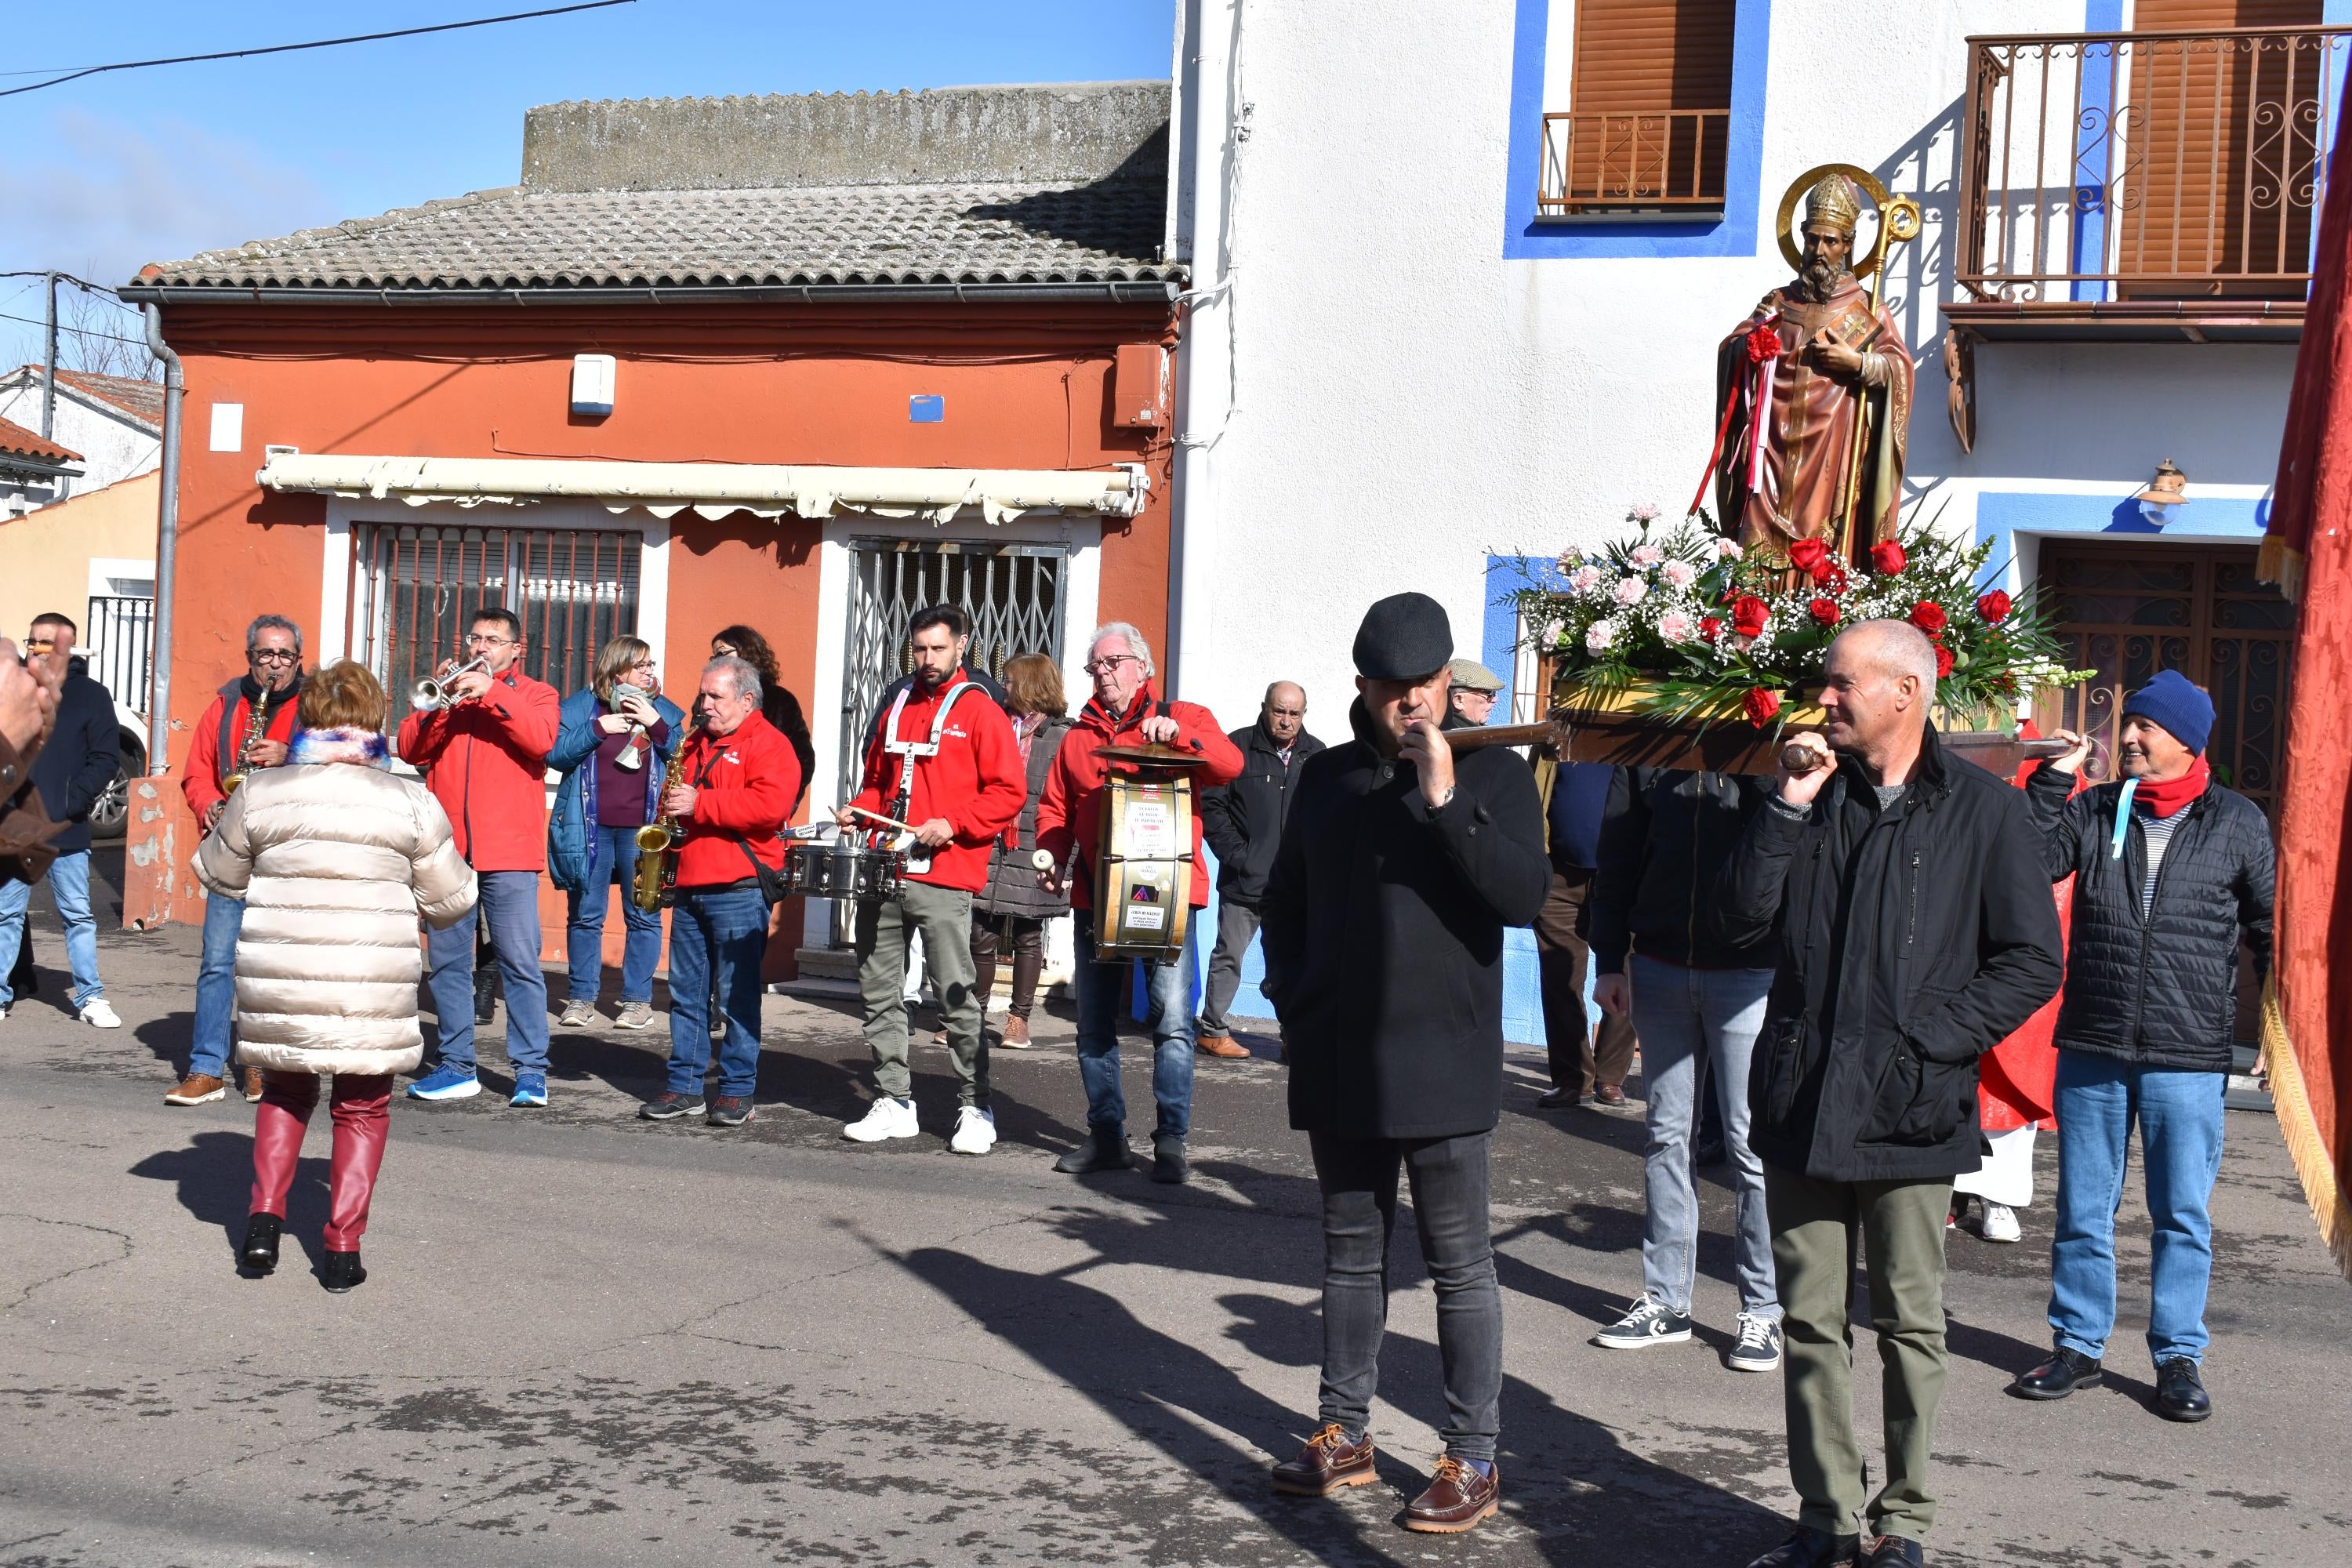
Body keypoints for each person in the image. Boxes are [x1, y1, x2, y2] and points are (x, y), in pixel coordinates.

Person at [1716, 620, 2061, 1568]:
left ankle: (1903, 1519)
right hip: (1802, 1097)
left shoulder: (1986, 810)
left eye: (1841, 683)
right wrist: (1786, 804)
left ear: (1905, 691)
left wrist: (1930, 1044)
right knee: (1809, 1321)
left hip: (1912, 1108)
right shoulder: (1808, 794)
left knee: (1912, 1323)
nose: (1823, 698)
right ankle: (1826, 1515)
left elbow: (2034, 957)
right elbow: (1740, 919)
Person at [1260, 593, 1547, 1534]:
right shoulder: (1330, 777)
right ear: (1365, 688)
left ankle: (1473, 1453)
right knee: (1349, 1257)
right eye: (1395, 690)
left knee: (1459, 1263)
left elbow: (1519, 895)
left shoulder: (1494, 775)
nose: (1413, 705)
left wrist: (1444, 798)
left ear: (1445, 680)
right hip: (1340, 1051)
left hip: (1445, 1056)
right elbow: (1285, 896)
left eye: (1427, 687)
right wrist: (1293, 996)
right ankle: (1343, 1430)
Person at [2010, 672, 2274, 1425]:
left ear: (2187, 741)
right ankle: (2078, 1347)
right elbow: (2031, 868)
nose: (2129, 738)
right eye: (2129, 726)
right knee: (2083, 1208)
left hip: (2187, 1051)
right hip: (2095, 1036)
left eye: (2145, 729)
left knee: (2181, 1212)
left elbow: (2269, 925)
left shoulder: (2236, 821)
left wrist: (2281, 1030)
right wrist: (2047, 787)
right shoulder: (2096, 808)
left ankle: (2178, 1357)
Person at [194, 660, 476, 1293]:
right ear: (375, 718)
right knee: (362, 1107)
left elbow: (218, 874)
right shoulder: (409, 798)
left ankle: (263, 1224)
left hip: (284, 971)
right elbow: (450, 900)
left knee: (286, 1093)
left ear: (311, 716)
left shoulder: (263, 789)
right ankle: (343, 1248)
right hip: (369, 978)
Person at [1587, 767, 1785, 1370]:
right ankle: (1666, 1300)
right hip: (1661, 961)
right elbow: (1617, 851)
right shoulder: (1650, 750)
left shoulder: (1768, 735)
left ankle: (1763, 1311)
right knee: (1666, 1135)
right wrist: (1609, 959)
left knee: (1751, 1147)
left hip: (1751, 970)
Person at [1034, 622, 1242, 1182]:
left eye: (1113, 663)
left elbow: (1229, 765)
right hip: (1097, 897)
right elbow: (1054, 809)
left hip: (1168, 897)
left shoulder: (1186, 716)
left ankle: (1171, 1141)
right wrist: (1052, 856)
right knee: (1094, 1024)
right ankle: (1108, 1139)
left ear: (1143, 667)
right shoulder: (1077, 736)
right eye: (1094, 666)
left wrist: (1177, 736)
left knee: (1173, 1024)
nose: (1102, 674)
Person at [837, 606, 1025, 1154]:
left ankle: (975, 1106)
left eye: (937, 649)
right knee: (878, 989)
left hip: (945, 875)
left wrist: (955, 823)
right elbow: (877, 784)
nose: (927, 660)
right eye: (919, 649)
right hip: (885, 868)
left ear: (961, 646)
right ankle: (894, 1100)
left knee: (955, 995)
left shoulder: (982, 711)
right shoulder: (896, 704)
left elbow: (1007, 791)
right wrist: (860, 810)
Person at [397, 607, 561, 1108]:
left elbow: (542, 740)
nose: (480, 647)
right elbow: (409, 749)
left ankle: (531, 1071)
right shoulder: (452, 695)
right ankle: (457, 1066)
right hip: (449, 849)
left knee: (519, 962)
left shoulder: (536, 694)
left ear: (517, 649)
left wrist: (491, 693)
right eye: (475, 638)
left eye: (493, 639)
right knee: (447, 963)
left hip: (509, 850)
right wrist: (442, 704)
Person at [637, 655, 800, 1128]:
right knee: (687, 995)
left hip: (739, 885)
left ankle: (735, 1090)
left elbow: (771, 807)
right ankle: (684, 1086)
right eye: (703, 695)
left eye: (715, 697)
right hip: (691, 880)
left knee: (736, 996)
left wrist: (700, 802)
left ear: (747, 700)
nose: (703, 705)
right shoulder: (694, 744)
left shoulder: (771, 744)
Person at [1716, 174, 1913, 564]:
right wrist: (1749, 345)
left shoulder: (1867, 309)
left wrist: (1858, 364)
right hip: (1770, 443)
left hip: (1830, 448)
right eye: (1813, 239)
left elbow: (1899, 368)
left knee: (1820, 544)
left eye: (1831, 241)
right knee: (1757, 548)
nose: (1820, 250)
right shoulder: (1778, 302)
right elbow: (1732, 350)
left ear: (1848, 245)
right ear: (1802, 238)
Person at [169, 614, 306, 1106]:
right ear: (249, 657)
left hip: (289, 853)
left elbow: (346, 762)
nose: (274, 664)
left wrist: (290, 755)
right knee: (217, 961)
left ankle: (260, 1065)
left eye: (284, 655)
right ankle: (206, 1068)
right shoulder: (226, 705)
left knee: (272, 966)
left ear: (298, 660)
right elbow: (196, 772)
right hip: (231, 846)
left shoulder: (315, 705)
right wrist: (206, 801)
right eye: (265, 654)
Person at [548, 636, 685, 1031]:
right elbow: (555, 755)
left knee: (642, 914)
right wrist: (597, 728)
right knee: (586, 916)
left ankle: (638, 1002)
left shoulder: (663, 710)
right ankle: (581, 998)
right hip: (589, 827)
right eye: (641, 665)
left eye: (650, 665)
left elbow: (683, 756)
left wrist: (655, 723)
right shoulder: (580, 708)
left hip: (642, 833)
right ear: (617, 668)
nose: (649, 672)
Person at [0, 615, 122, 1029]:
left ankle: (91, 998)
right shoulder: (16, 695)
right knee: (6, 915)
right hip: (16, 828)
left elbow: (105, 758)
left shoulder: (91, 696)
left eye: (46, 642)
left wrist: (69, 803)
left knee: (78, 916)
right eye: (32, 641)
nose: (36, 649)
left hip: (65, 829)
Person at [1196, 680, 1323, 1056]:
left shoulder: (1316, 756)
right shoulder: (1236, 748)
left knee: (1291, 963)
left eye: (1294, 714)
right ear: (1265, 707)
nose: (1286, 720)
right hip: (1244, 882)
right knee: (1229, 956)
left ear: (1303, 715)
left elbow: (1324, 815)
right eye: (1279, 711)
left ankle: (1292, 1036)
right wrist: (1240, 857)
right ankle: (1213, 1030)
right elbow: (1213, 807)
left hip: (1294, 885)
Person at [960, 652, 1074, 1051]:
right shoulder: (995, 725)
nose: (1003, 687)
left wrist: (1062, 859)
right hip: (990, 841)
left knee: (1028, 933)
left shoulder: (1063, 736)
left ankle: (1018, 1020)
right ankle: (970, 1017)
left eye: (1009, 681)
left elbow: (1066, 801)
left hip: (1034, 846)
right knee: (980, 933)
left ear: (1029, 685)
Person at [1530, 751, 1637, 1108]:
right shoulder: (1556, 741)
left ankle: (1609, 1077)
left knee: (1628, 972)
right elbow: (1535, 795)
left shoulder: (1640, 736)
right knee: (1560, 978)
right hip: (1560, 876)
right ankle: (1572, 1079)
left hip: (1624, 881)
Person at [710, 625, 815, 811]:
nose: (716, 661)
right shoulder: (709, 698)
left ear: (746, 652)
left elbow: (803, 759)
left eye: (722, 653)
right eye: (714, 656)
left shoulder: (779, 700)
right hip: (713, 803)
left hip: (758, 806)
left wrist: (787, 802)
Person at [1443, 658, 1503, 729]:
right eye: (1489, 694)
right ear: (1459, 701)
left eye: (1494, 693)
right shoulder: (1459, 737)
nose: (1495, 699)